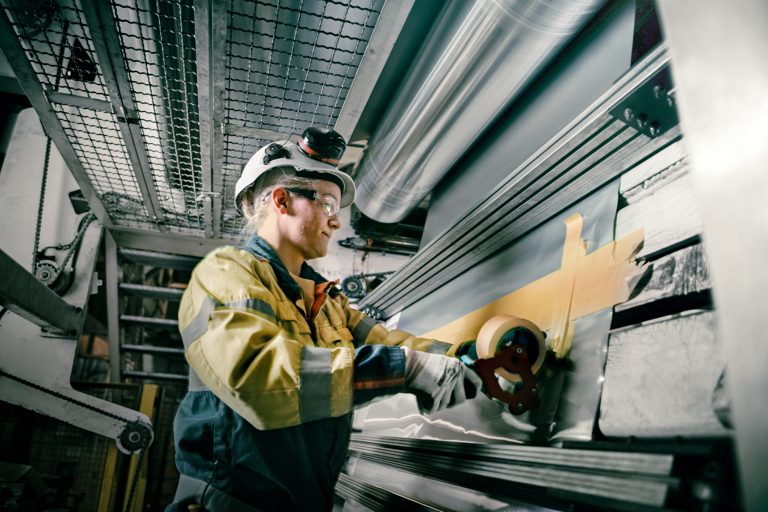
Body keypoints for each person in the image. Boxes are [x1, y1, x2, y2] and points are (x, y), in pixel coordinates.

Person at [165, 127, 483, 512]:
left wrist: (469, 356)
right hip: (231, 503)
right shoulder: (225, 274)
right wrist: (407, 369)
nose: (336, 222)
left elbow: (391, 344)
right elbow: (259, 378)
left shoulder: (329, 303)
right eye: (328, 205)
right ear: (282, 201)